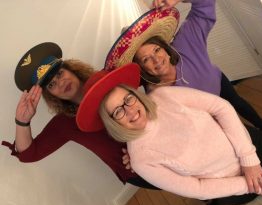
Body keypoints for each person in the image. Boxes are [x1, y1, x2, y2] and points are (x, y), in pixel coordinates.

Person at [76, 62, 262, 203]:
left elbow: (221, 107)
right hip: (225, 183)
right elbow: (198, 188)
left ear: (135, 94)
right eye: (118, 111)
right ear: (113, 122)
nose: (130, 110)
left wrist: (249, 160)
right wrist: (257, 185)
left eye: (128, 99)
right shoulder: (141, 160)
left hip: (245, 143)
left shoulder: (163, 96)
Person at [104, 0, 262, 142]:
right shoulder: (155, 96)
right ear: (141, 68)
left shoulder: (184, 43)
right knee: (237, 133)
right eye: (145, 59)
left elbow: (205, 6)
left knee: (244, 109)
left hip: (219, 85)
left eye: (157, 50)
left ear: (164, 47)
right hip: (205, 116)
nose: (156, 59)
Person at [1, 42, 158, 189]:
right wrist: (22, 121)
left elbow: (149, 81)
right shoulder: (64, 124)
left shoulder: (107, 79)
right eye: (51, 84)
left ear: (72, 70)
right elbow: (28, 154)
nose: (60, 83)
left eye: (60, 73)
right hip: (137, 172)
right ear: (50, 94)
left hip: (160, 139)